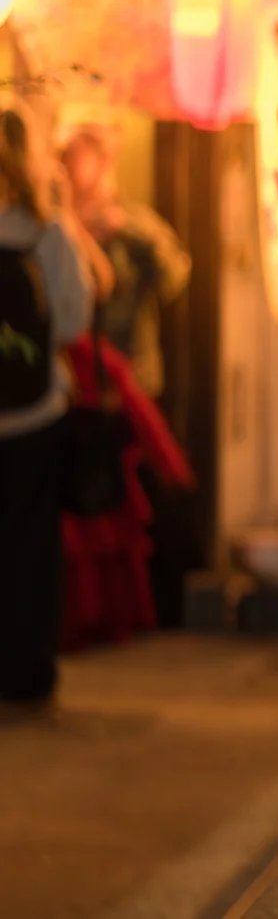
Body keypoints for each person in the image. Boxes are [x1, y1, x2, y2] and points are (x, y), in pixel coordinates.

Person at [0, 108, 92, 719]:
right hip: (35, 413)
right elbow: (74, 317)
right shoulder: (44, 230)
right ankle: (28, 677)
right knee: (31, 549)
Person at [58, 122, 190, 400]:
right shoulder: (57, 224)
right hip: (76, 377)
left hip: (130, 374)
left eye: (76, 154)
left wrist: (127, 229)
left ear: (104, 161)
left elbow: (173, 277)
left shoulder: (135, 221)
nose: (67, 163)